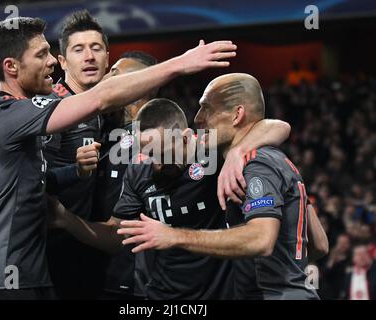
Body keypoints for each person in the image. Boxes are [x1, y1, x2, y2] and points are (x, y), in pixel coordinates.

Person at [0, 15, 237, 300]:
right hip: (3, 280)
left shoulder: (20, 123)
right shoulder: (9, 115)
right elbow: (98, 98)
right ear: (11, 67)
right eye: (42, 54)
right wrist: (180, 63)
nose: (51, 63)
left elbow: (38, 182)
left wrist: (76, 173)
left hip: (34, 273)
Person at [49, 96, 291, 299]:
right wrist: (67, 220)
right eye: (148, 154)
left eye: (162, 152)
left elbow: (278, 126)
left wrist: (239, 151)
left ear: (186, 137)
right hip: (160, 294)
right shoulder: (139, 170)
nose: (155, 163)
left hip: (219, 293)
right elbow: (116, 236)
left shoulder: (212, 154)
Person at [118, 73, 328, 300]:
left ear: (237, 115)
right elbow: (319, 244)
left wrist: (175, 236)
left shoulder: (256, 164)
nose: (197, 118)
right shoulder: (267, 159)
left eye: (206, 108)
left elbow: (260, 240)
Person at [43, 10, 110, 300]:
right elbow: (35, 180)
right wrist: (76, 170)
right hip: (52, 247)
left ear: (108, 56)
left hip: (89, 242)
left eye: (96, 48)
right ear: (62, 61)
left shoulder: (102, 106)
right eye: (78, 49)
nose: (89, 56)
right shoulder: (55, 108)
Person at [92, 51, 158, 299]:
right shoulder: (108, 131)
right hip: (104, 272)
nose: (105, 76)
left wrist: (65, 221)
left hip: (133, 280)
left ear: (141, 85)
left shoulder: (151, 139)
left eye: (115, 73)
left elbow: (119, 229)